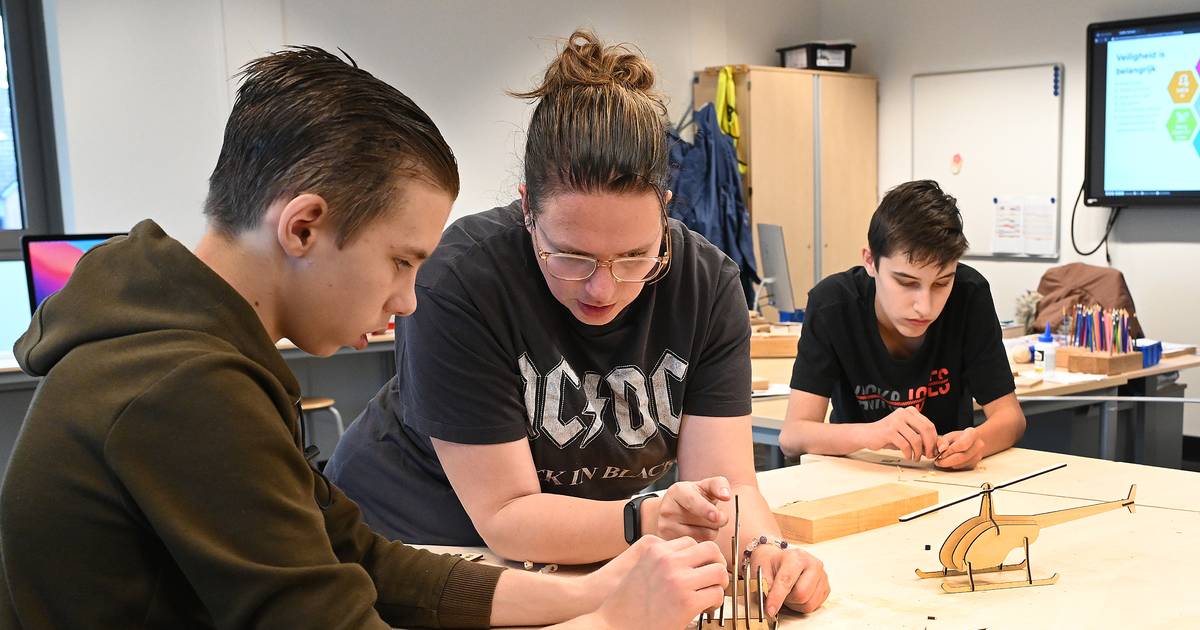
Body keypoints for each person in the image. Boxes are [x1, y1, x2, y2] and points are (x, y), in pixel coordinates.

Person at [0, 46, 729, 629]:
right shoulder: (181, 388)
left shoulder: (205, 352)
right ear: (303, 227)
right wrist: (609, 623)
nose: (407, 299)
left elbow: (364, 563)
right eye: (401, 262)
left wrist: (591, 593)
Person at [326, 30, 829, 618]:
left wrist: (763, 550)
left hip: (580, 554)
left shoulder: (707, 283)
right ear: (527, 209)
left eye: (635, 256)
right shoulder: (461, 280)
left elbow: (727, 486)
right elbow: (507, 517)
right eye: (571, 256)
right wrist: (649, 518)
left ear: (665, 210)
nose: (603, 288)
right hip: (419, 546)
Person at [778, 180, 1027, 469]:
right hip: (855, 473)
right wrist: (871, 434)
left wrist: (978, 442)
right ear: (870, 261)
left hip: (946, 477)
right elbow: (792, 436)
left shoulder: (969, 294)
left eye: (941, 283)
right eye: (906, 283)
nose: (925, 306)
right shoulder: (832, 304)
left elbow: (1011, 418)